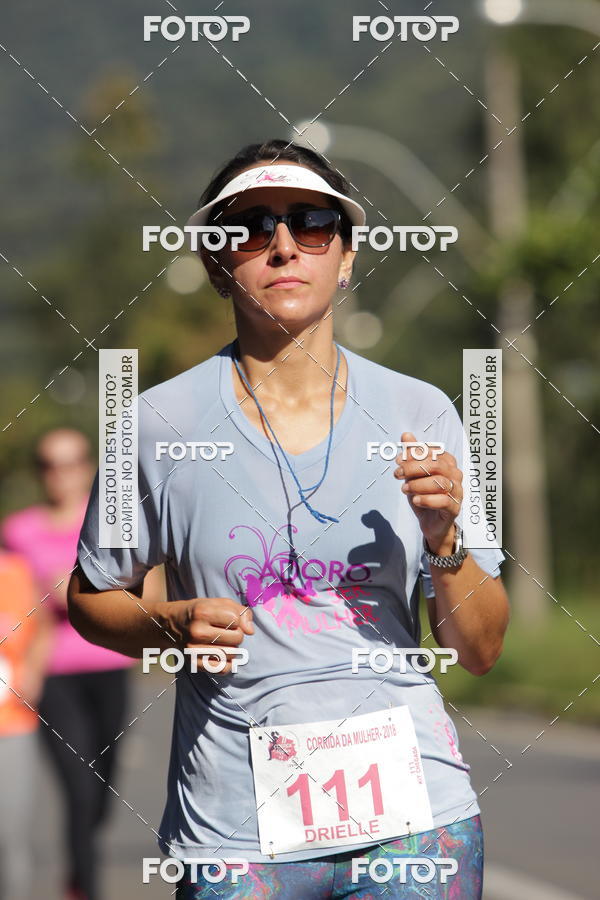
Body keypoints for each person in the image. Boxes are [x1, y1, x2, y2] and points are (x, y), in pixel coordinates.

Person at [68, 139, 510, 899]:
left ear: (346, 256)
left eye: (311, 222)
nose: (282, 246)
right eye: (249, 228)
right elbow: (88, 597)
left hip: (416, 821)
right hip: (236, 832)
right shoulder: (148, 425)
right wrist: (168, 624)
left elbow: (480, 649)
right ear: (216, 263)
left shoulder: (426, 412)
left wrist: (445, 542)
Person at [1, 429, 136, 900]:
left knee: (103, 788)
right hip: (52, 674)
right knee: (79, 787)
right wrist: (43, 598)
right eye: (49, 463)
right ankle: (84, 886)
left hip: (108, 665)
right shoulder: (18, 532)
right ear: (39, 471)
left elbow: (144, 591)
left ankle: (82, 857)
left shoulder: (111, 525)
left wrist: (83, 593)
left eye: (72, 462)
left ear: (88, 466)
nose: (61, 473)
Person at [0, 547, 52, 900]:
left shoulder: (15, 572)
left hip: (12, 724)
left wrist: (34, 668)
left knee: (10, 835)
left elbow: (44, 626)